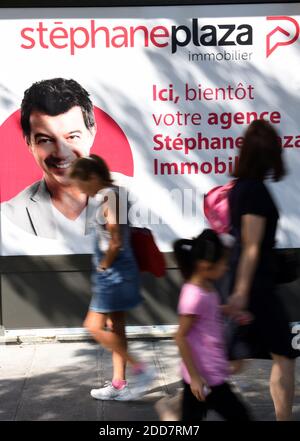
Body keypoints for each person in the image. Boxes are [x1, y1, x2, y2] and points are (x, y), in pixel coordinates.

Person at [227, 119, 298, 421]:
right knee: (283, 355)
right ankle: (180, 405)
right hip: (257, 289)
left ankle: (185, 400)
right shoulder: (254, 191)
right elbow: (251, 246)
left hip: (251, 286)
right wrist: (243, 293)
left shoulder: (240, 188)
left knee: (235, 361)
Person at [69, 154, 155, 401]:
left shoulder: (111, 197)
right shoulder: (114, 193)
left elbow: (116, 240)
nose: (80, 190)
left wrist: (104, 265)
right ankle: (119, 383)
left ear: (93, 177)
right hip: (118, 271)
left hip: (114, 273)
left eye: (81, 184)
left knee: (92, 326)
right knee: (116, 328)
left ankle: (142, 369)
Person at [1, 78, 98, 248]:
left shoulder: (129, 200)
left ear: (92, 133)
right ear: (29, 143)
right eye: (46, 140)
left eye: (72, 137)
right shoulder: (10, 215)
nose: (61, 153)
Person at [174, 229, 252, 421]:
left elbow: (210, 310)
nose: (226, 268)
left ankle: (167, 410)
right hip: (205, 377)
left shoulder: (206, 286)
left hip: (210, 373)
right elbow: (180, 337)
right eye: (223, 263)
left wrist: (230, 311)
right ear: (205, 266)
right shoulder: (193, 296)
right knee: (241, 416)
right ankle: (166, 409)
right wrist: (195, 378)